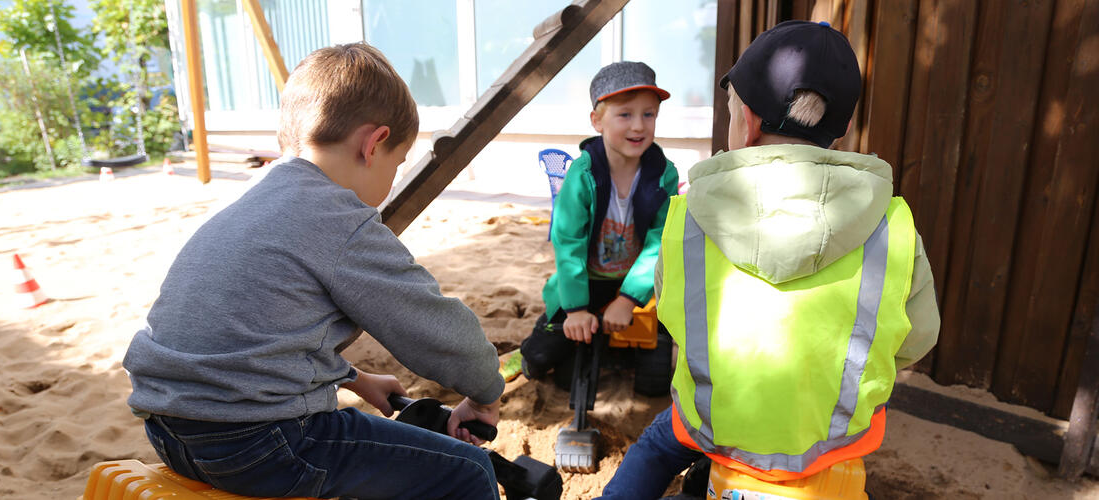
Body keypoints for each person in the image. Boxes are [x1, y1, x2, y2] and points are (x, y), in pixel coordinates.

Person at [121, 43, 506, 500]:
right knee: (467, 470)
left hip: (168, 430)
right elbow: (435, 329)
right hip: (258, 443)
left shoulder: (254, 197)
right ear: (374, 143)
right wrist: (485, 393)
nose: (390, 182)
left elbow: (255, 334)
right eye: (396, 165)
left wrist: (355, 380)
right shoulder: (338, 219)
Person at [597, 21, 940, 499]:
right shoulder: (892, 223)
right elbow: (918, 335)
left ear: (750, 122)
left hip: (719, 420)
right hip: (831, 435)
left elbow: (674, 315)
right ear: (835, 134)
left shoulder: (688, 215)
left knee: (657, 446)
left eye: (733, 110)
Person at [519, 61, 679, 393]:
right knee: (542, 359)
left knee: (654, 375)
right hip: (586, 281)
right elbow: (568, 243)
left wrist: (629, 298)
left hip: (634, 280)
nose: (638, 126)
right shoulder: (583, 174)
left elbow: (658, 243)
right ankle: (552, 332)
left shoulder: (664, 175)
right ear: (597, 121)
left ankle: (610, 341)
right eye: (625, 114)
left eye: (648, 114)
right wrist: (576, 308)